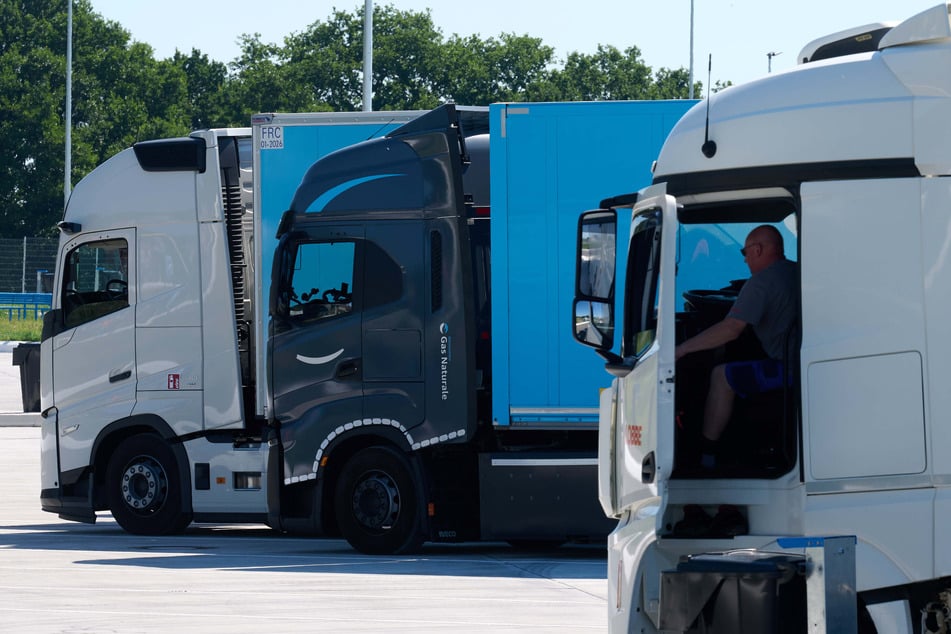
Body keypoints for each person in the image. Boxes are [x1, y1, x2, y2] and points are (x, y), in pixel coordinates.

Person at [675, 225, 798, 468]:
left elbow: (731, 329)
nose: (744, 259)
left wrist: (682, 349)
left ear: (758, 249)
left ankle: (707, 455)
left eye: (745, 252)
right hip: (802, 362)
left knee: (722, 376)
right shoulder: (796, 272)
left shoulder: (761, 283)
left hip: (787, 369)